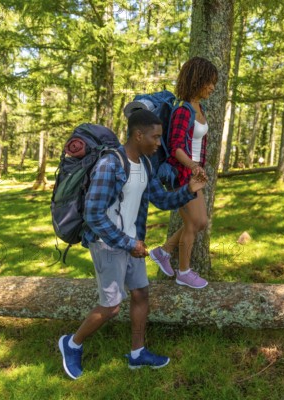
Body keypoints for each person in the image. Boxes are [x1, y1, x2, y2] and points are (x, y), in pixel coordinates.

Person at [58, 109, 206, 380]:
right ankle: (72, 343)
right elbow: (93, 214)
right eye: (156, 137)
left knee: (140, 294)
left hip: (131, 243)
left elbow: (161, 200)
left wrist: (189, 189)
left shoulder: (146, 165)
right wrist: (128, 243)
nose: (159, 143)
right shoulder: (111, 164)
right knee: (112, 306)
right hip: (107, 244)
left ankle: (137, 354)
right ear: (138, 135)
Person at [149, 57, 218, 289]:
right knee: (195, 223)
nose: (212, 87)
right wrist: (193, 168)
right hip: (182, 173)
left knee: (198, 223)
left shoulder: (201, 108)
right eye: (209, 82)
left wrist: (199, 169)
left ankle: (164, 251)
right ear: (197, 80)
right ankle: (184, 272)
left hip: (194, 172)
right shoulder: (183, 111)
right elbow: (176, 148)